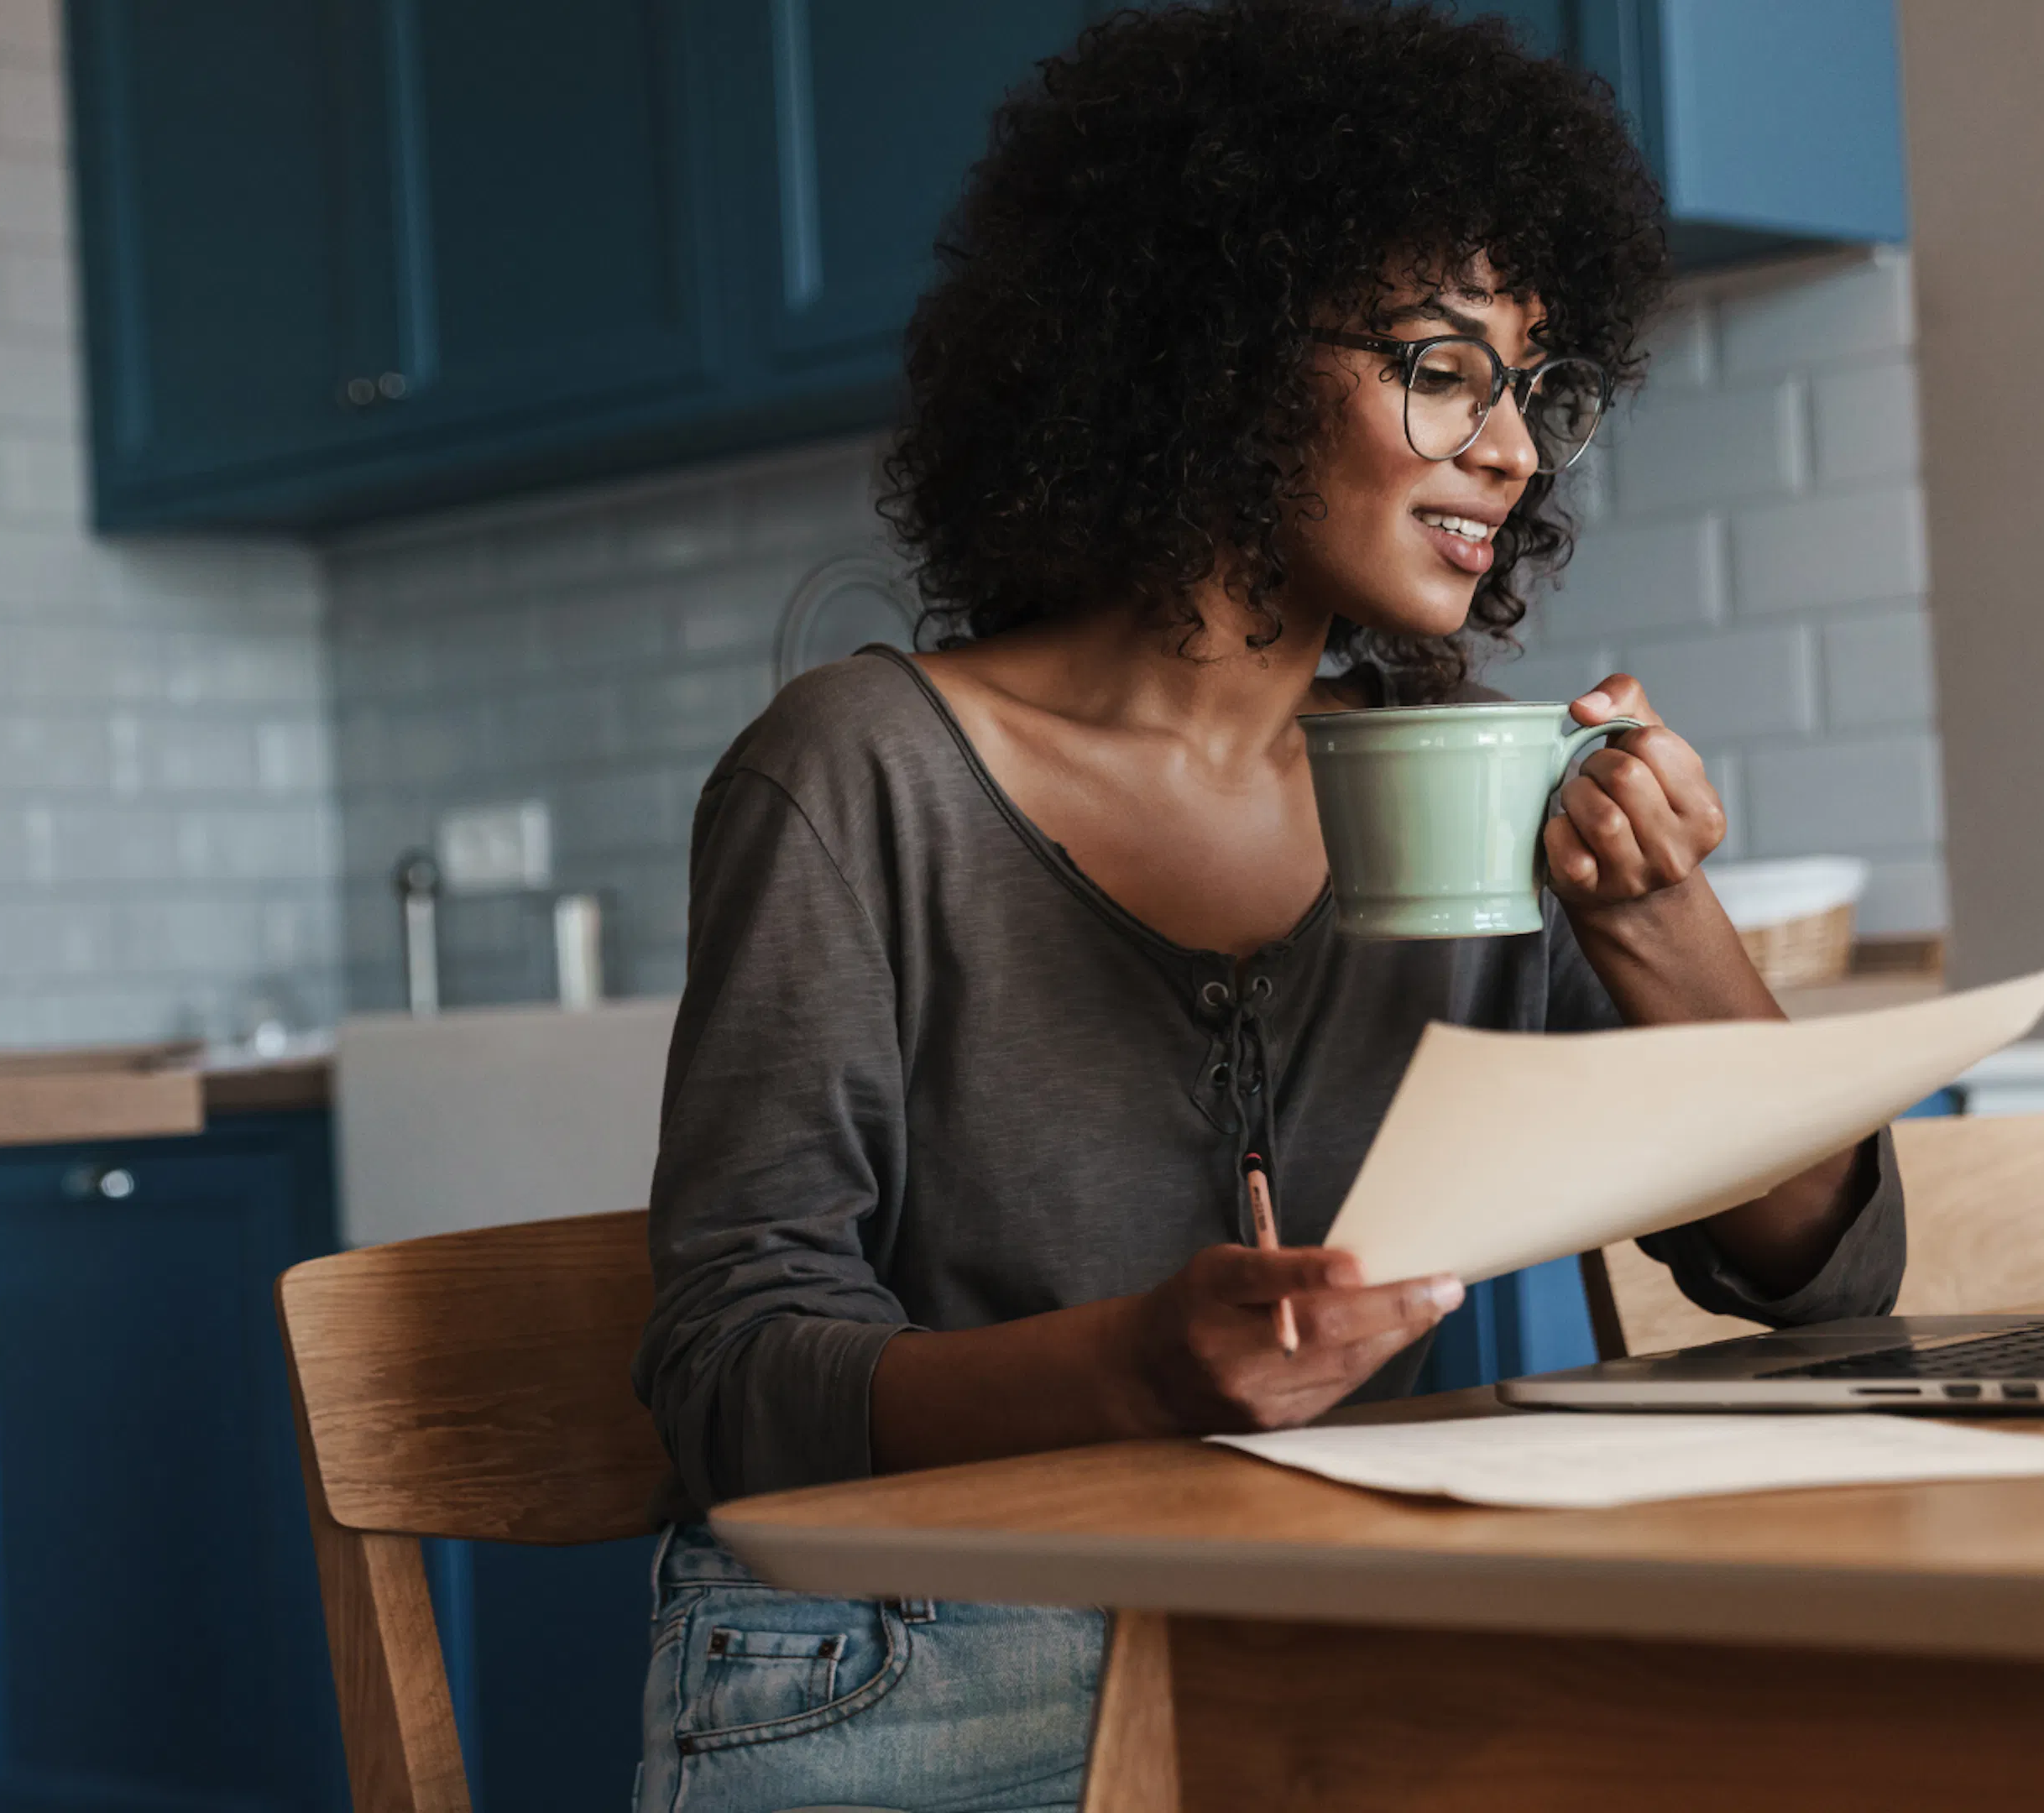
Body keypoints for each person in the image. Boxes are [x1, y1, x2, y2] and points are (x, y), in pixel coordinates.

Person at [629, 4, 1905, 1807]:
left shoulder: (1464, 778)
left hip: (1338, 1651)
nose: (1518, 452)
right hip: (921, 1663)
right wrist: (1142, 1367)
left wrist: (1658, 919)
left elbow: (1818, 1267)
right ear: (1208, 349)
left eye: (1538, 389)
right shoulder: (861, 772)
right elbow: (728, 1374)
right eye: (1445, 368)